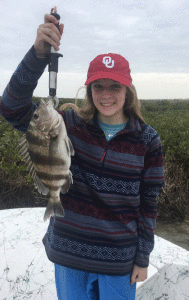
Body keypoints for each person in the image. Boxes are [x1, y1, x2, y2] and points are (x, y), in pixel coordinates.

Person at [0, 9, 165, 300]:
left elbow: (148, 206)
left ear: (128, 89)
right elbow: (11, 107)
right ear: (89, 90)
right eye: (98, 86)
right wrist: (38, 54)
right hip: (68, 252)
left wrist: (142, 257)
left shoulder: (147, 140)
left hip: (118, 261)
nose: (106, 94)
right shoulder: (69, 124)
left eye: (115, 86)